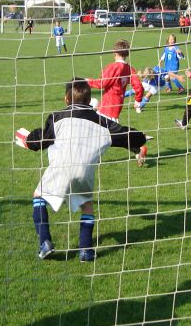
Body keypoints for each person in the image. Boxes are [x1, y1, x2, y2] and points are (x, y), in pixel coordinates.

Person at [15, 77, 149, 261]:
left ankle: (44, 242)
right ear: (89, 100)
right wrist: (140, 137)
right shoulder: (102, 122)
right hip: (84, 172)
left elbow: (41, 140)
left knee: (38, 196)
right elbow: (126, 134)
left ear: (66, 99)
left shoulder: (57, 117)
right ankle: (85, 250)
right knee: (87, 206)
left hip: (61, 167)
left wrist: (28, 139)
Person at [87, 39, 143, 122]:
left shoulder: (113, 67)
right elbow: (139, 86)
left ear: (114, 52)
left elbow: (102, 83)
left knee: (104, 131)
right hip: (117, 106)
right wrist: (138, 100)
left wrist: (87, 81)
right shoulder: (130, 69)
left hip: (107, 108)